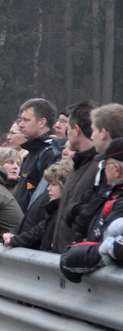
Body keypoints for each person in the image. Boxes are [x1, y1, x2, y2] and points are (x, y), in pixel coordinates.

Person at [60, 138, 123, 282]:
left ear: (116, 169)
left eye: (105, 165)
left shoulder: (118, 202)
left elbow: (105, 247)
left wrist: (71, 256)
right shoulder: (112, 195)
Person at [52, 102, 98, 253]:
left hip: (79, 258)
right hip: (64, 257)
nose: (66, 135)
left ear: (76, 130)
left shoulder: (99, 167)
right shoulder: (78, 165)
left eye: (68, 129)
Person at [3, 160, 72, 251]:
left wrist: (13, 240)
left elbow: (38, 233)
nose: (48, 189)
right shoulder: (55, 208)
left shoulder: (63, 211)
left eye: (53, 184)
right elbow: (37, 228)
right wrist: (12, 234)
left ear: (65, 186)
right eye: (49, 184)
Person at [13, 98, 58, 212]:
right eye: (20, 120)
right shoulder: (33, 152)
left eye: (26, 120)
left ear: (42, 122)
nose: (21, 125)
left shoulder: (50, 154)